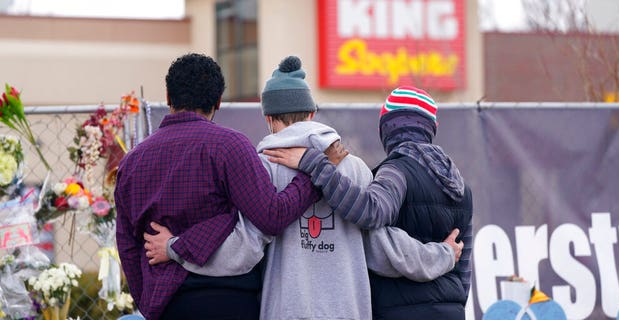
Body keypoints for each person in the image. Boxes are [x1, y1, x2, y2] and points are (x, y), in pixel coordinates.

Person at [144, 57, 464, 319]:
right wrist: (442, 254)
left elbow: (242, 248)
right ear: (312, 114)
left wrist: (175, 247)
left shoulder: (262, 167)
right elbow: (385, 250)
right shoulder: (351, 167)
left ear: (268, 118)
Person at [114, 53, 322, 320]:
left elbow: (128, 246)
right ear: (219, 101)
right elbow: (272, 216)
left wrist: (148, 302)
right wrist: (313, 176)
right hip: (230, 299)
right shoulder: (229, 146)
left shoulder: (132, 162)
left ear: (168, 97)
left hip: (166, 304)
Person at [264, 85, 473, 320]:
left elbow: (371, 213)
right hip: (451, 309)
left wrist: (317, 164)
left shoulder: (395, 172)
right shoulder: (461, 186)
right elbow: (464, 268)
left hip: (400, 308)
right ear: (431, 127)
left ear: (388, 128)